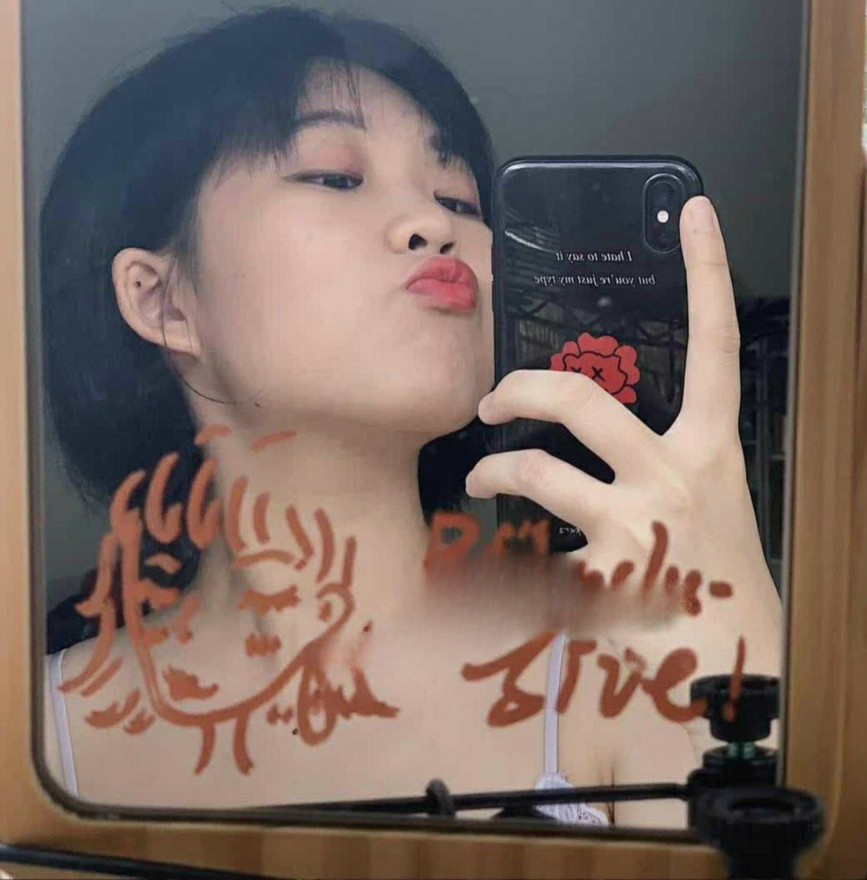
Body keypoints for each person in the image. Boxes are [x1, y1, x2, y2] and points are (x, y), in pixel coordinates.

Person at [39, 5, 782, 828]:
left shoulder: (627, 648)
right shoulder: (38, 732)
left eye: (459, 196)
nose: (437, 223)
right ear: (164, 301)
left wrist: (739, 640)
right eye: (335, 177)